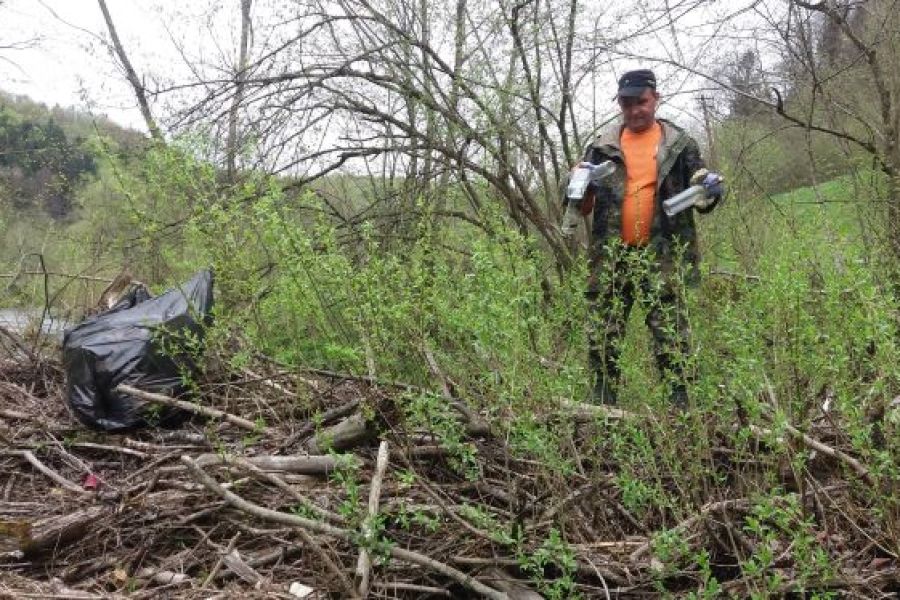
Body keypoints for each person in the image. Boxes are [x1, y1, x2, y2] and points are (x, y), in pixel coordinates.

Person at [568, 68, 723, 408]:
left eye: (641, 101)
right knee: (603, 336)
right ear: (619, 104)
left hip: (662, 256)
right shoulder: (600, 147)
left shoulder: (679, 144)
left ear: (655, 99)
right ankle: (602, 411)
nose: (635, 109)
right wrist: (578, 185)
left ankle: (681, 412)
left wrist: (710, 189)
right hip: (611, 257)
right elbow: (580, 209)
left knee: (671, 335)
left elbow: (701, 196)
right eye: (627, 103)